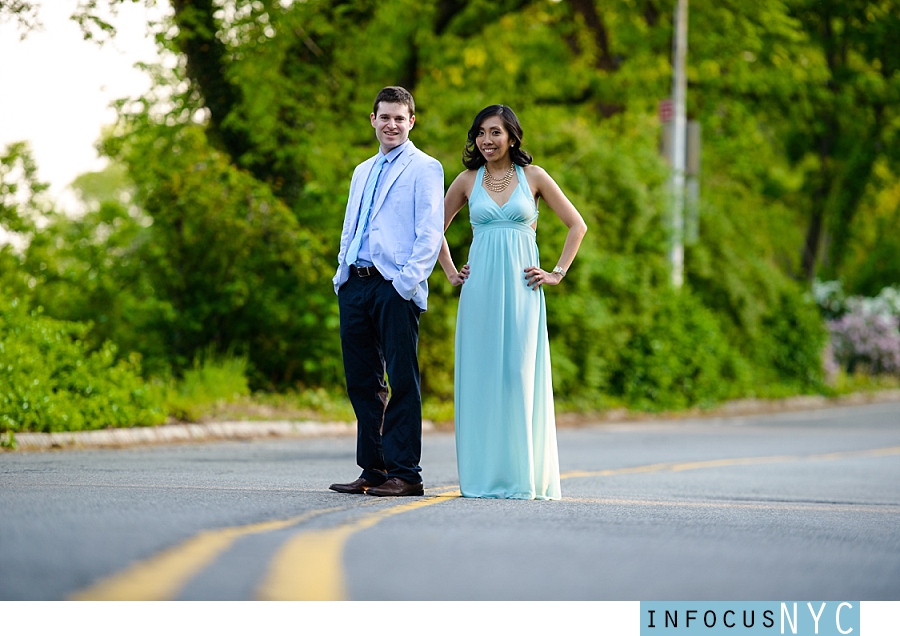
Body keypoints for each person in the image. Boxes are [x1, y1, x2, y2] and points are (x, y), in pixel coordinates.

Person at [438, 104, 587, 500]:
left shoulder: (534, 177)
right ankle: (482, 478)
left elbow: (577, 225)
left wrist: (557, 272)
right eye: (481, 133)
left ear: (512, 137)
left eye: (495, 133)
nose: (486, 141)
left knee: (518, 378)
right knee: (481, 379)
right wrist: (451, 273)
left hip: (523, 292)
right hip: (480, 290)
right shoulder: (467, 180)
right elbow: (431, 227)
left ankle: (523, 477)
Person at [330, 86, 444, 497]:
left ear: (411, 122)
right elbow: (351, 224)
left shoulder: (425, 167)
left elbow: (430, 232)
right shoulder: (362, 170)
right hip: (354, 284)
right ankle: (374, 470)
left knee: (401, 380)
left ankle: (406, 474)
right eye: (385, 117)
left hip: (394, 285)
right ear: (373, 120)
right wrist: (341, 272)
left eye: (400, 118)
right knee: (362, 381)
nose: (392, 124)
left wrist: (405, 284)